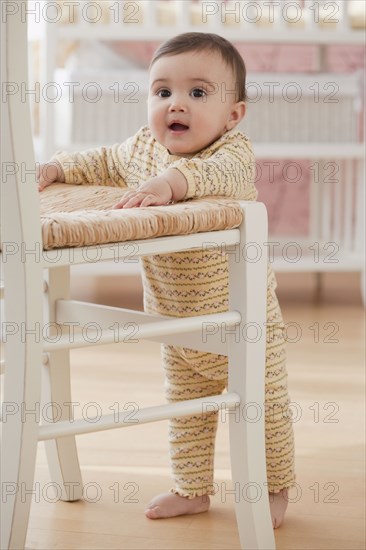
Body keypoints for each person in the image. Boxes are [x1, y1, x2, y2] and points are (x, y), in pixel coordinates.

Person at [38, 32, 295, 528]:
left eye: (198, 93)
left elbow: (212, 176)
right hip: (174, 320)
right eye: (162, 92)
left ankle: (272, 487)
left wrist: (169, 184)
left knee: (265, 411)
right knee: (186, 408)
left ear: (233, 114)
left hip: (242, 323)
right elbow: (103, 161)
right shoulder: (141, 149)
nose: (176, 104)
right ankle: (192, 488)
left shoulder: (234, 152)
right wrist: (56, 167)